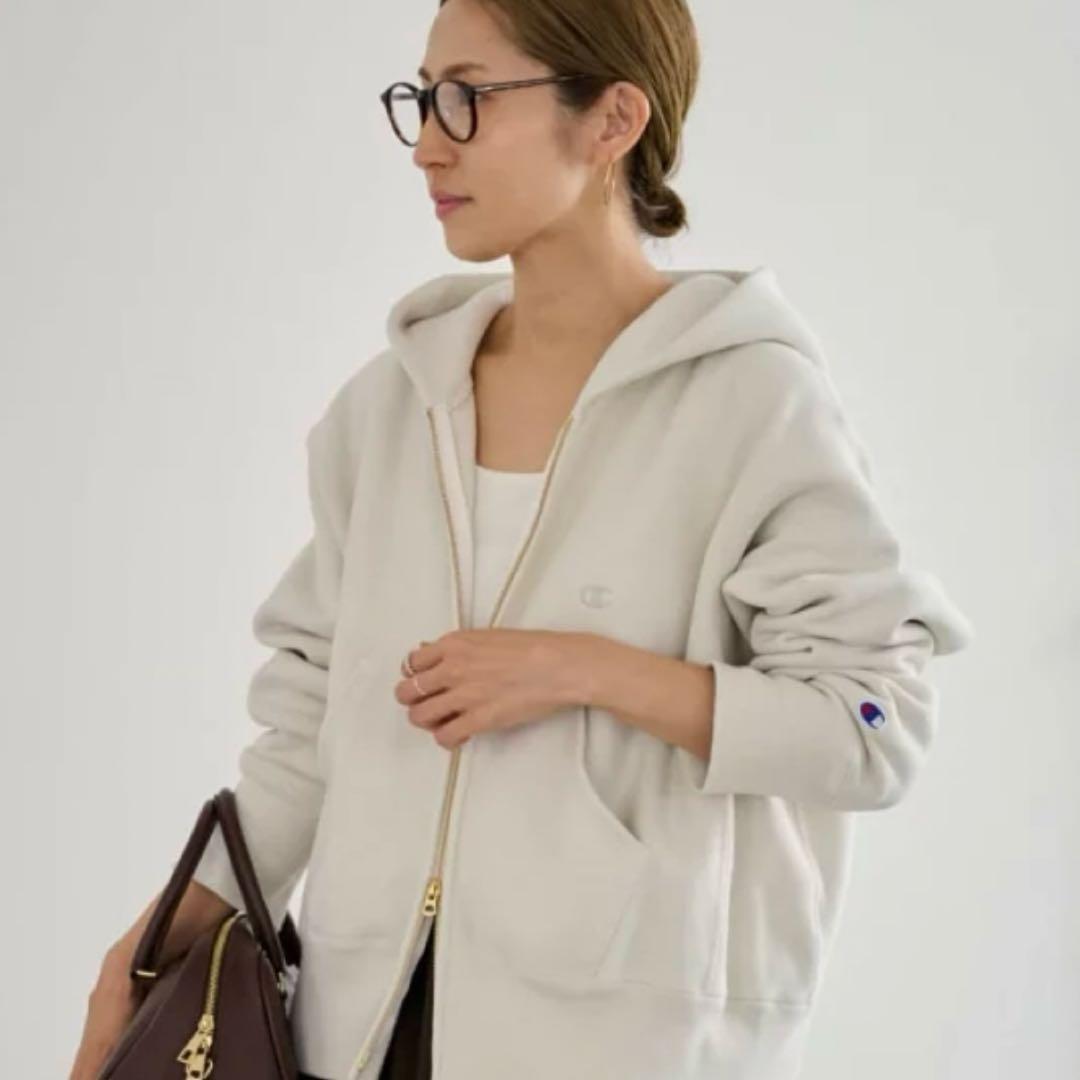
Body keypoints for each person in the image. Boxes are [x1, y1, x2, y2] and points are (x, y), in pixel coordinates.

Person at [72, 0, 974, 1078]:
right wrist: (152, 941)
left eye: (468, 97)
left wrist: (582, 670)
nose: (427, 143)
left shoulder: (750, 406)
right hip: (361, 1035)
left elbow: (873, 727)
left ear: (613, 119)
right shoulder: (390, 410)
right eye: (420, 98)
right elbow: (310, 726)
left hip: (619, 1044)